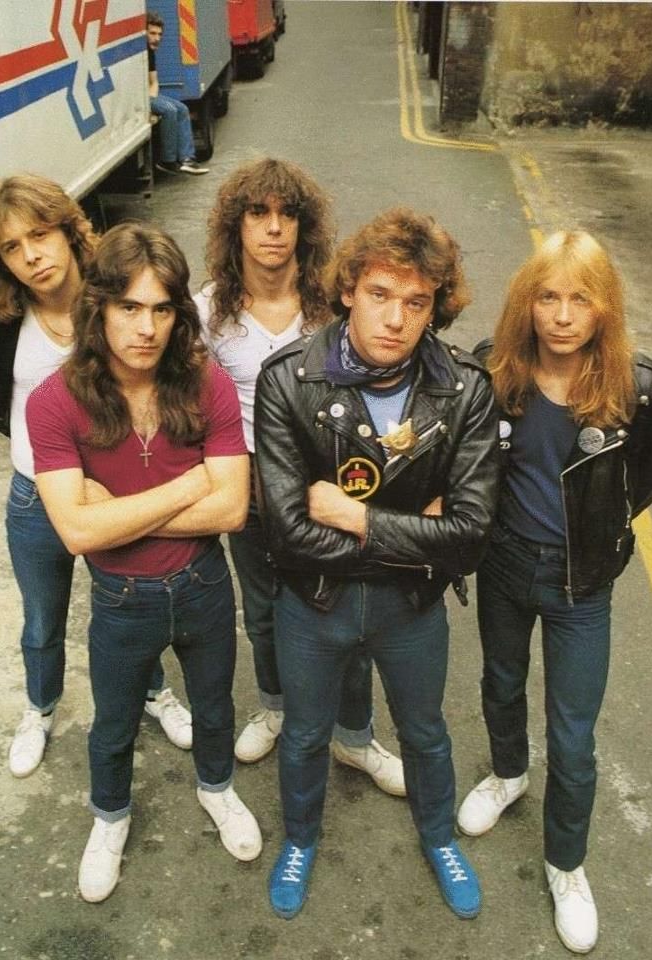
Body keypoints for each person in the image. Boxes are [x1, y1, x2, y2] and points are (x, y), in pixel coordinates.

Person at [254, 207, 501, 920]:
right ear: (348, 290)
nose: (395, 318)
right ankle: (299, 840)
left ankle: (437, 835)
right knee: (303, 733)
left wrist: (357, 518)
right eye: (380, 295)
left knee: (424, 731)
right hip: (314, 603)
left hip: (411, 614)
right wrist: (412, 538)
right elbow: (286, 534)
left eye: (416, 302)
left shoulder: (463, 389)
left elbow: (471, 535)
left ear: (435, 308)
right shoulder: (288, 380)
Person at [26, 222, 261, 902]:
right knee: (113, 722)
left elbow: (230, 511)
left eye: (161, 309)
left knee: (215, 707)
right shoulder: (54, 402)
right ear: (97, 307)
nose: (146, 327)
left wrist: (122, 507)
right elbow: (75, 530)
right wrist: (192, 485)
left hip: (203, 586)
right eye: (129, 306)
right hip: (122, 601)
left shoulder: (206, 383)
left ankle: (216, 790)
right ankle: (110, 818)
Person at [457, 231, 652, 954]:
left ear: (604, 307)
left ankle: (565, 863)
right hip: (506, 566)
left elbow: (645, 476)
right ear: (527, 301)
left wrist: (603, 531)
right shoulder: (498, 372)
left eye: (579, 298)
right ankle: (508, 772)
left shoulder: (637, 388)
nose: (560, 314)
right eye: (546, 296)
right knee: (500, 681)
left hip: (583, 584)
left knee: (574, 738)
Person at [0, 175, 192, 779]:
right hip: (37, 494)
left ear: (68, 228)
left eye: (39, 234)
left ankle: (155, 693)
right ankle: (40, 707)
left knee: (134, 605)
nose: (31, 255)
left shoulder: (114, 296)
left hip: (117, 491)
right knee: (42, 616)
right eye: (11, 247)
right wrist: (25, 438)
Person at [197, 157, 404, 796]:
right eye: (258, 214)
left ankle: (355, 736)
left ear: (304, 229)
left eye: (287, 215)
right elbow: (189, 404)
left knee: (346, 611)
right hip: (249, 488)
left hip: (327, 488)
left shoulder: (329, 311)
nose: (273, 229)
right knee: (262, 610)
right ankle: (276, 706)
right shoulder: (208, 312)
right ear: (236, 228)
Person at [146, 11, 209, 176]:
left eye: (159, 34)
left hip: (148, 96)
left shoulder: (150, 53)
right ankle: (167, 161)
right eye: (152, 33)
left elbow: (154, 81)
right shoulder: (137, 53)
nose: (157, 38)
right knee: (169, 110)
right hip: (136, 98)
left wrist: (152, 100)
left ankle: (187, 159)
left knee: (182, 108)